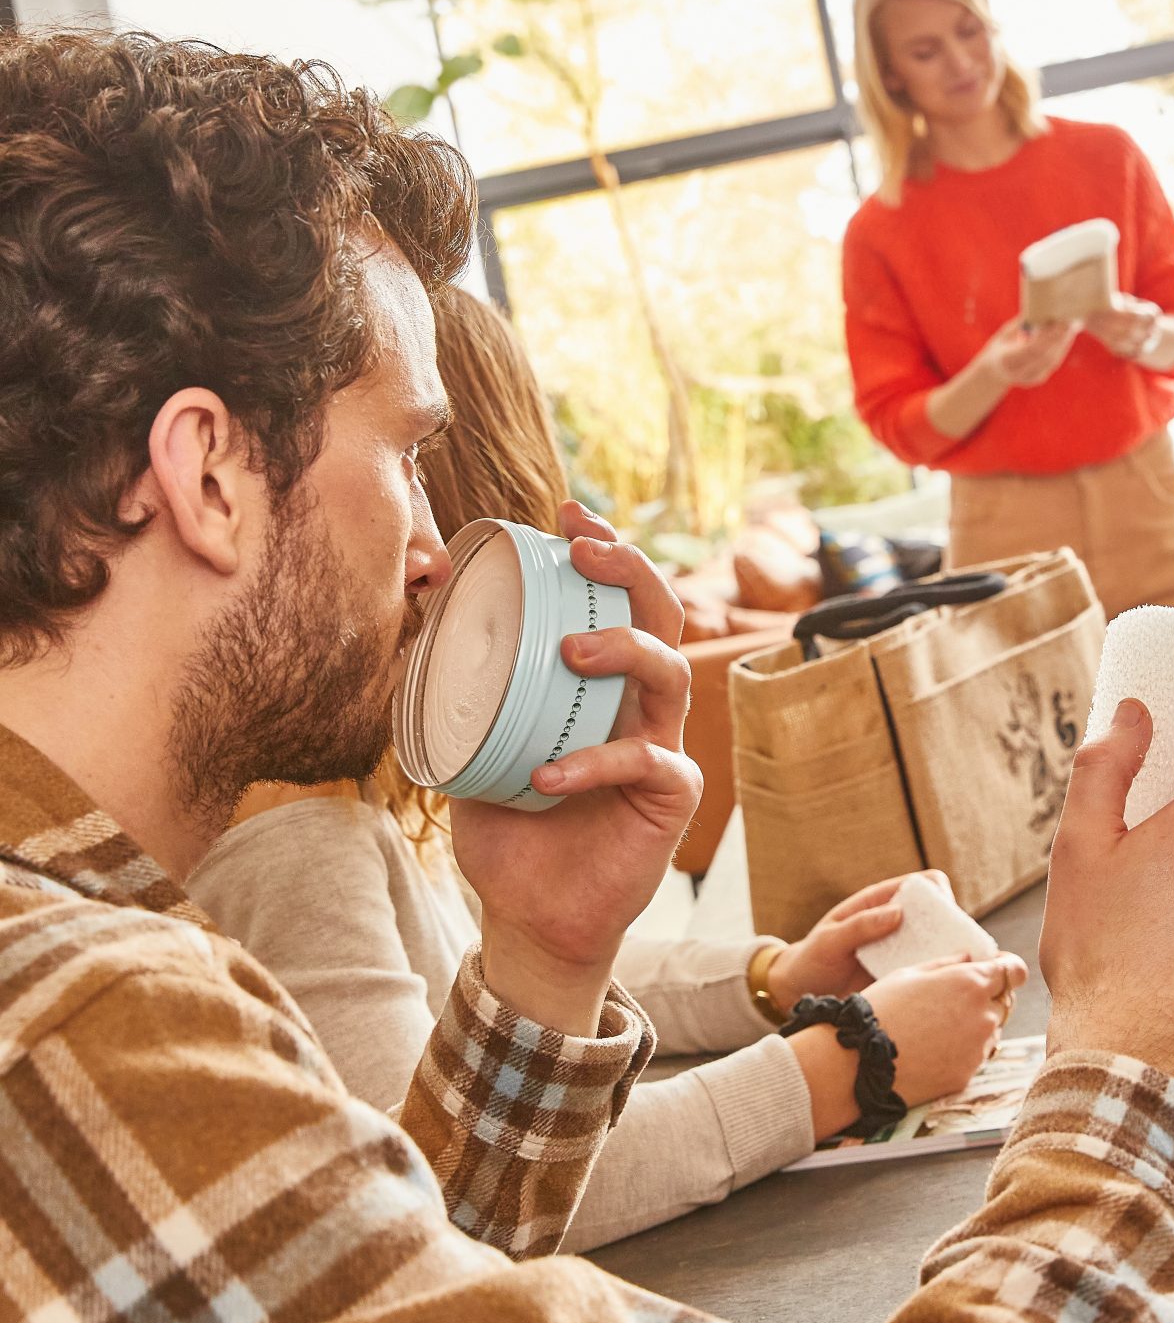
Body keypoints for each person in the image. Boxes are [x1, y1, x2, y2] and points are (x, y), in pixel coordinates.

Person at [0, 26, 1174, 1323]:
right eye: (403, 452)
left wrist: (539, 969)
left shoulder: (83, 960)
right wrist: (1135, 1065)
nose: (426, 543)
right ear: (208, 473)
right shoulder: (58, 1040)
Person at [189, 284, 1026, 1242]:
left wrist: (772, 982)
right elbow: (443, 1197)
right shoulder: (291, 839)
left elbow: (499, 1005)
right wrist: (846, 1066)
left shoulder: (370, 787)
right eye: (402, 456)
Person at [843, 0, 1174, 616]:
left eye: (969, 31)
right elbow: (897, 422)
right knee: (1036, 725)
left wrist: (1143, 334)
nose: (961, 62)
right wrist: (994, 372)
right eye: (925, 51)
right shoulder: (881, 231)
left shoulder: (1106, 156)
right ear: (891, 75)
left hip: (1146, 494)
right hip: (1002, 526)